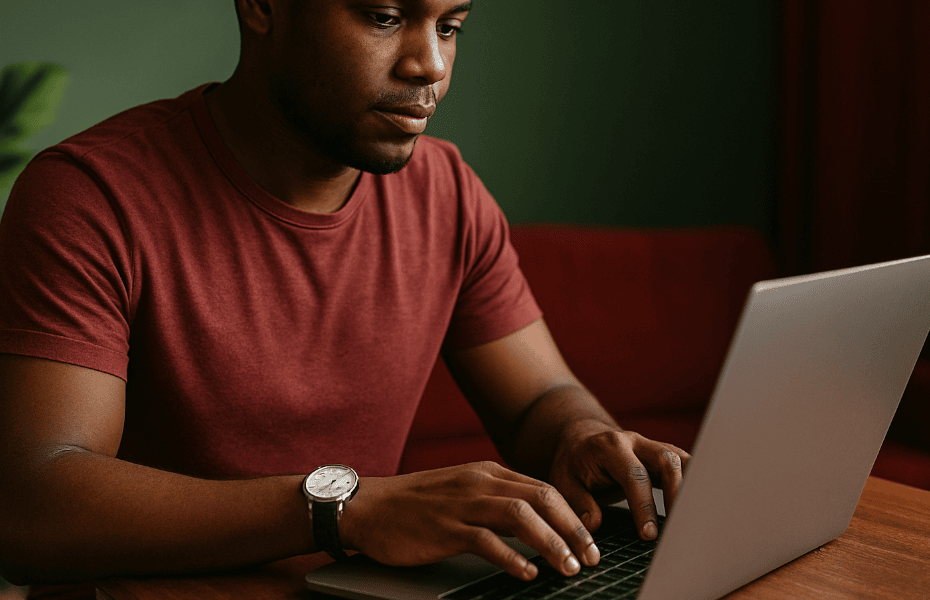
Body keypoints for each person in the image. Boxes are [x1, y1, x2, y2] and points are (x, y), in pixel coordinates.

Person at [0, 0, 689, 595]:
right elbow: (34, 507)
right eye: (386, 18)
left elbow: (541, 399)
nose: (431, 65)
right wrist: (343, 509)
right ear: (262, 5)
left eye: (449, 26)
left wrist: (585, 439)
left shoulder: (448, 195)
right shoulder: (89, 198)